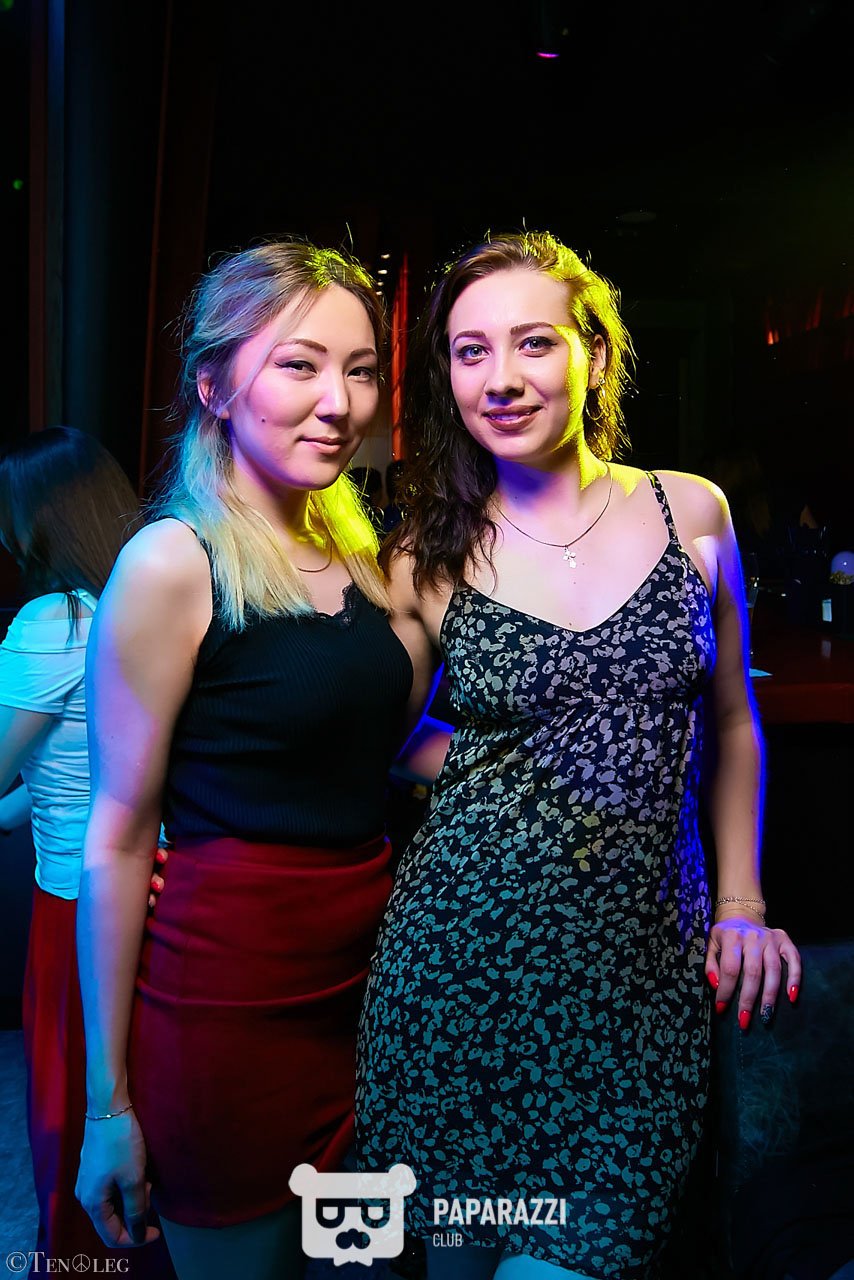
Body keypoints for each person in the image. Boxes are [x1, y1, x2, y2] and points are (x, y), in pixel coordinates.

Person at [355, 232, 801, 1280]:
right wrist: (524, 775)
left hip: (636, 982)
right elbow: (376, 732)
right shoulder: (427, 553)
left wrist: (742, 902)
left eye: (533, 342)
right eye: (470, 351)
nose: (500, 378)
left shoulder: (690, 509)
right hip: (459, 973)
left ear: (593, 354)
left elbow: (732, 723)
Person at [74, 241, 413, 1280]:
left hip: (366, 990)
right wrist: (107, 1106)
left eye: (360, 370)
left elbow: (357, 745)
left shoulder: (355, 550)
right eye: (299, 365)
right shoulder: (171, 562)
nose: (339, 402)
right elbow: (117, 839)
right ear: (215, 387)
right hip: (231, 1004)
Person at [0, 427, 174, 1278]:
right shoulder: (147, 603)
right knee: (151, 1110)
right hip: (163, 894)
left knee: (72, 1112)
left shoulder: (50, 623)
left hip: (76, 903)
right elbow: (85, 764)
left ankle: (79, 1265)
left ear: (35, 520)